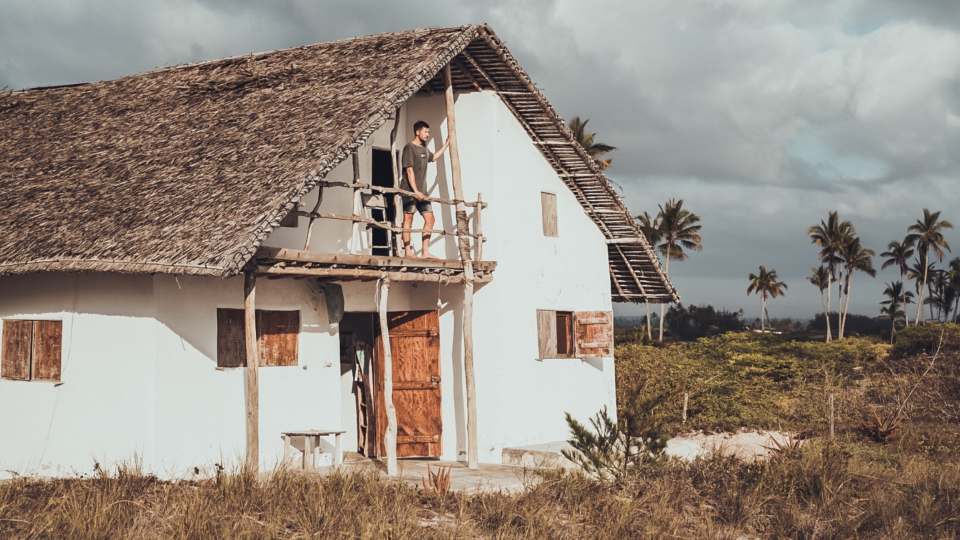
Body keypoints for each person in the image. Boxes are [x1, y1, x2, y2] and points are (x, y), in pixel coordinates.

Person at [400, 120, 449, 258]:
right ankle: (408, 252)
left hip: (422, 192)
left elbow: (433, 158)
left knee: (430, 218)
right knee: (408, 219)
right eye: (425, 131)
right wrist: (415, 191)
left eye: (428, 132)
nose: (427, 134)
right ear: (417, 132)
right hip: (410, 191)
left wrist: (446, 145)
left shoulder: (424, 149)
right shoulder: (409, 148)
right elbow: (409, 170)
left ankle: (425, 251)